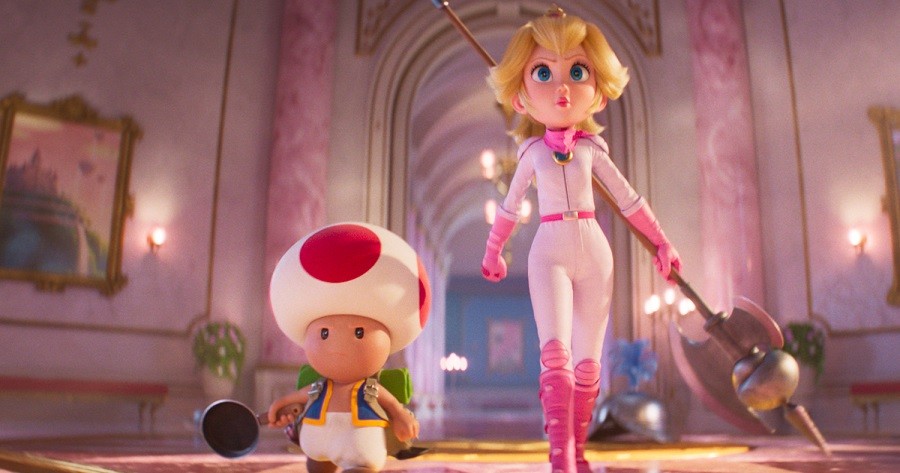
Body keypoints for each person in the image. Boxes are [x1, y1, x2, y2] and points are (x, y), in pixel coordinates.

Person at [481, 8, 681, 473]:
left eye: (577, 72)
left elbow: (629, 200)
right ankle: (560, 454)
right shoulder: (532, 153)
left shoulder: (592, 150)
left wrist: (662, 243)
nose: (562, 88)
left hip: (595, 250)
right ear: (520, 98)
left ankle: (580, 448)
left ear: (599, 92)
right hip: (548, 248)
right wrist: (493, 250)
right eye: (543, 73)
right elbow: (510, 206)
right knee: (556, 354)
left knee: (589, 364)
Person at [267, 222, 431, 473]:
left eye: (359, 333)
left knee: (359, 464)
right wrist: (283, 404)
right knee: (318, 465)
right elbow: (301, 396)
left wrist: (401, 416)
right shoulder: (320, 387)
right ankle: (322, 463)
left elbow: (391, 404)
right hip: (317, 443)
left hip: (360, 443)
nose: (337, 346)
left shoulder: (370, 388)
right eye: (324, 333)